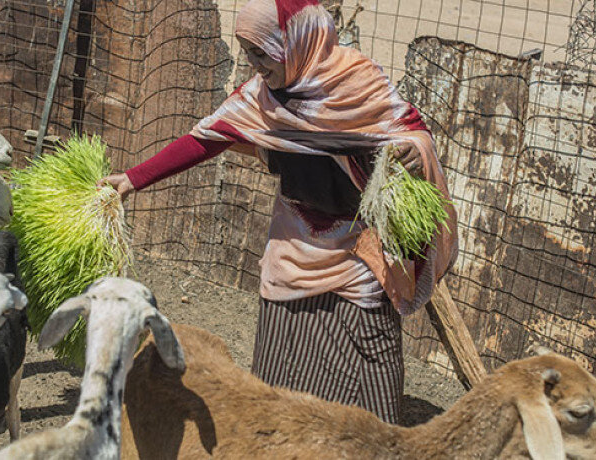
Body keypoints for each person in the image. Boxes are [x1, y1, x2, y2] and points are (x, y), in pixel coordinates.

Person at [99, 0, 457, 424]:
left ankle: (367, 439)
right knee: (281, 372)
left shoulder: (360, 84)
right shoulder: (261, 98)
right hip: (295, 241)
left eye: (262, 53)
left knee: (368, 367)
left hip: (356, 248)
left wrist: (411, 155)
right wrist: (133, 179)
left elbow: (414, 137)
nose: (255, 66)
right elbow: (205, 139)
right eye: (248, 53)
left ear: (296, 42)